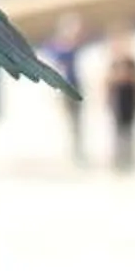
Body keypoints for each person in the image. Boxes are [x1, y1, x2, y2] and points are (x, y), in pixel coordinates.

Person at [43, 15, 90, 162]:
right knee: (70, 119)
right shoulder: (59, 48)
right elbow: (50, 51)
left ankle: (77, 150)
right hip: (64, 87)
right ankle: (73, 151)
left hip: (75, 85)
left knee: (77, 120)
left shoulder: (72, 47)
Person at [103, 31, 135, 172]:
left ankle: (129, 159)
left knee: (129, 131)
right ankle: (119, 161)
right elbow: (107, 82)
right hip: (118, 99)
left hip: (129, 98)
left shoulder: (132, 63)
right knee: (118, 131)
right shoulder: (114, 63)